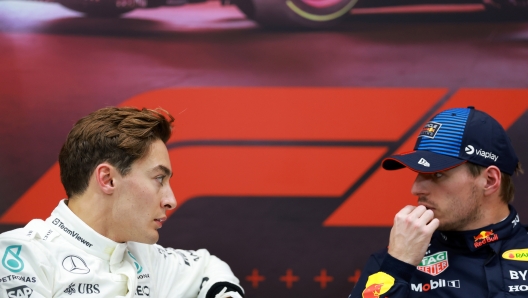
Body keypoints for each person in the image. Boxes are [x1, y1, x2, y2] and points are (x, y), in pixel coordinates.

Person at [0, 107, 244, 298]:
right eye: (159, 178)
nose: (171, 200)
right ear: (108, 179)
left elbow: (207, 267)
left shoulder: (148, 257)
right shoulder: (23, 257)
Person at [349, 106, 525, 298]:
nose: (415, 189)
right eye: (419, 173)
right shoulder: (389, 264)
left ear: (490, 180)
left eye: (438, 174)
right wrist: (397, 267)